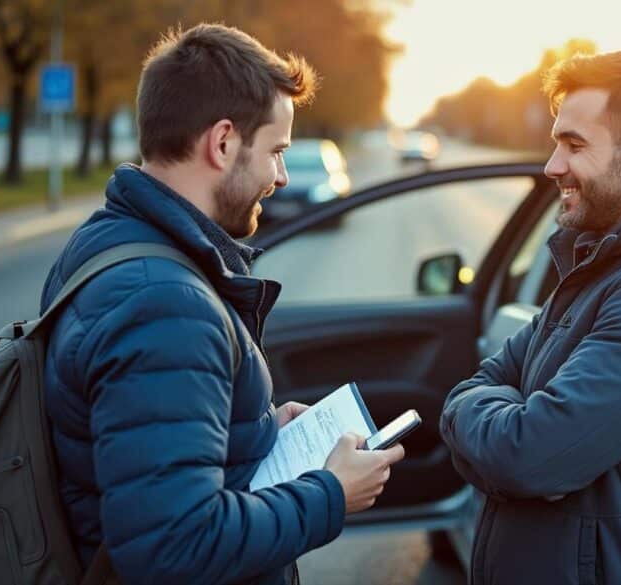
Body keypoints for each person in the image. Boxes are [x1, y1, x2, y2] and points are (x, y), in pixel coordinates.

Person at [39, 23, 403, 585]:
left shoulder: (109, 241)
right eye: (277, 152)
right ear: (224, 142)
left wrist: (255, 430)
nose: (282, 176)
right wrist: (330, 494)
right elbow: (172, 547)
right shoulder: (164, 305)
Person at [439, 47, 621, 584]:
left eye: (574, 145)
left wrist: (481, 416)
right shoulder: (597, 267)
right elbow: (481, 386)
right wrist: (497, 411)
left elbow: (527, 457)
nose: (553, 166)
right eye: (556, 144)